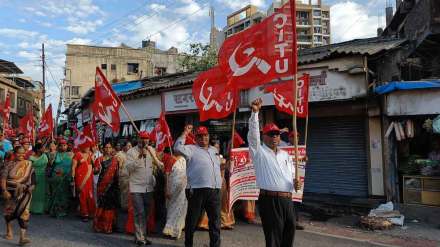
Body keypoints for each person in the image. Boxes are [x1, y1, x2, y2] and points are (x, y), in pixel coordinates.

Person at [248, 98, 301, 247]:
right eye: (271, 134)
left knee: (288, 234)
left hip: (287, 200)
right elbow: (253, 137)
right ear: (263, 136)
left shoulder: (285, 155)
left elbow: (291, 178)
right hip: (270, 200)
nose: (274, 137)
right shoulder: (258, 152)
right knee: (273, 239)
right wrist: (255, 113)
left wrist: (296, 183)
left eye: (277, 134)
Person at [174, 125, 222, 247]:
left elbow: (217, 167)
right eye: (200, 136)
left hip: (215, 190)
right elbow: (177, 147)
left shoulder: (214, 150)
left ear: (208, 136)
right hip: (197, 190)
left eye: (205, 135)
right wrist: (185, 133)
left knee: (215, 221)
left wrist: (226, 165)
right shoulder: (190, 149)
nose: (203, 138)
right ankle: (188, 244)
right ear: (195, 138)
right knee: (192, 220)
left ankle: (215, 245)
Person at [126, 131, 163, 246]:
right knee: (139, 212)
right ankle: (139, 238)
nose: (145, 141)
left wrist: (158, 162)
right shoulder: (131, 152)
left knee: (146, 213)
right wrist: (139, 156)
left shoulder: (151, 149)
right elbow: (129, 168)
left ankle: (143, 236)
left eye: (146, 139)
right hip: (136, 187)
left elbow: (158, 164)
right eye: (142, 138)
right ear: (138, 139)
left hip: (149, 187)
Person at [1, 146, 36, 246]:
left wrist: (32, 186)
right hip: (10, 192)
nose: (21, 155)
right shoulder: (8, 164)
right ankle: (9, 230)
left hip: (24, 192)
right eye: (18, 153)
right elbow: (3, 178)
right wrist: (4, 190)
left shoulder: (29, 164)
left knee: (24, 212)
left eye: (23, 153)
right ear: (14, 154)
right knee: (9, 212)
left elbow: (33, 178)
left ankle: (22, 237)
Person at [93, 142, 121, 233]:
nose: (108, 149)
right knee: (102, 205)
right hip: (102, 186)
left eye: (109, 147)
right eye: (106, 147)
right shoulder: (99, 159)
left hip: (113, 186)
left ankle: (109, 226)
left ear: (112, 148)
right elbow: (95, 172)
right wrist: (96, 169)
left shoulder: (116, 160)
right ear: (103, 149)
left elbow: (118, 173)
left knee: (111, 206)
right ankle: (99, 226)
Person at [162, 148, 187, 239]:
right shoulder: (171, 159)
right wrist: (167, 189)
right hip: (172, 188)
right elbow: (167, 175)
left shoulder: (184, 160)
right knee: (172, 208)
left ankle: (176, 231)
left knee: (180, 209)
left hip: (183, 189)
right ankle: (169, 230)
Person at [47, 139, 73, 218]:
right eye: (61, 145)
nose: (63, 147)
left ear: (67, 146)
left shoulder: (71, 154)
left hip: (66, 178)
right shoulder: (54, 154)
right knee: (55, 194)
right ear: (58, 146)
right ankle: (54, 211)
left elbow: (73, 166)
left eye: (64, 145)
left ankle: (63, 211)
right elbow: (50, 165)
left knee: (64, 195)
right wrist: (51, 160)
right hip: (56, 177)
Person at [72, 141, 96, 222]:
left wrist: (93, 157)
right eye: (85, 146)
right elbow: (73, 167)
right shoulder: (77, 154)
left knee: (89, 195)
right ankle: (84, 214)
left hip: (88, 178)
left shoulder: (90, 155)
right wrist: (72, 178)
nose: (87, 148)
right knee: (82, 195)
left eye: (88, 147)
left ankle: (91, 213)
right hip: (80, 178)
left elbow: (93, 167)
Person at [29, 143, 48, 214]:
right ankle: (32, 208)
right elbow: (29, 168)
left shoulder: (45, 156)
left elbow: (48, 166)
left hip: (42, 177)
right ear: (38, 149)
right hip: (33, 176)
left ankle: (41, 209)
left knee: (41, 193)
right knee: (34, 193)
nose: (44, 149)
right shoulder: (31, 158)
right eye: (42, 148)